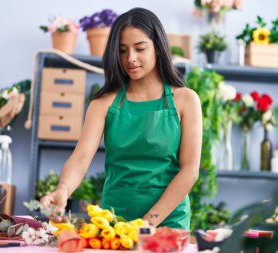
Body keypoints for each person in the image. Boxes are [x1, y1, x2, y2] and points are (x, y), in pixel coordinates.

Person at [41, 7, 202, 230]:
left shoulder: (186, 100)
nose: (131, 59)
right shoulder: (103, 104)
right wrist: (63, 190)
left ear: (157, 47)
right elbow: (80, 158)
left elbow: (190, 172)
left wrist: (147, 223)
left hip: (168, 222)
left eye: (140, 48)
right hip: (114, 221)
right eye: (123, 50)